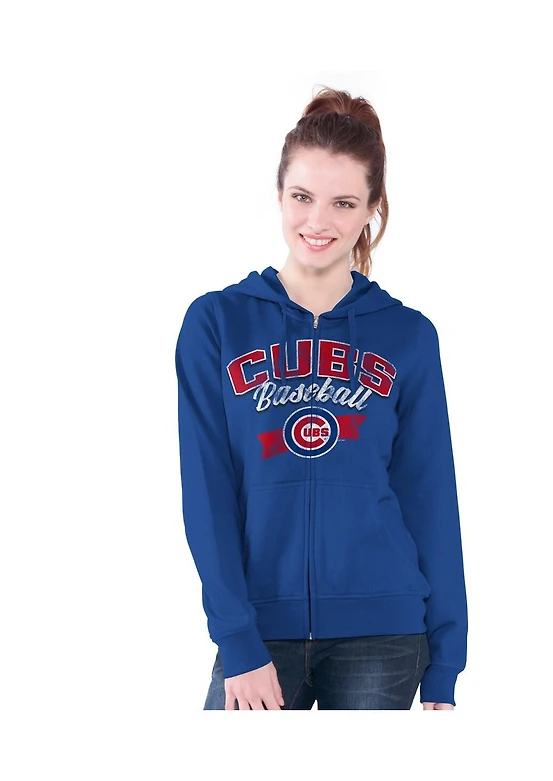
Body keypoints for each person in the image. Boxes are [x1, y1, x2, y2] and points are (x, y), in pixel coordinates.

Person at [175, 86, 468, 710]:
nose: (318, 222)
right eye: (303, 197)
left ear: (371, 210)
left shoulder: (408, 335)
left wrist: (446, 660)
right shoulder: (217, 323)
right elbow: (206, 491)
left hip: (384, 633)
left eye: (343, 203)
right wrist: (238, 640)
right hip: (259, 627)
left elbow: (430, 497)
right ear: (280, 194)